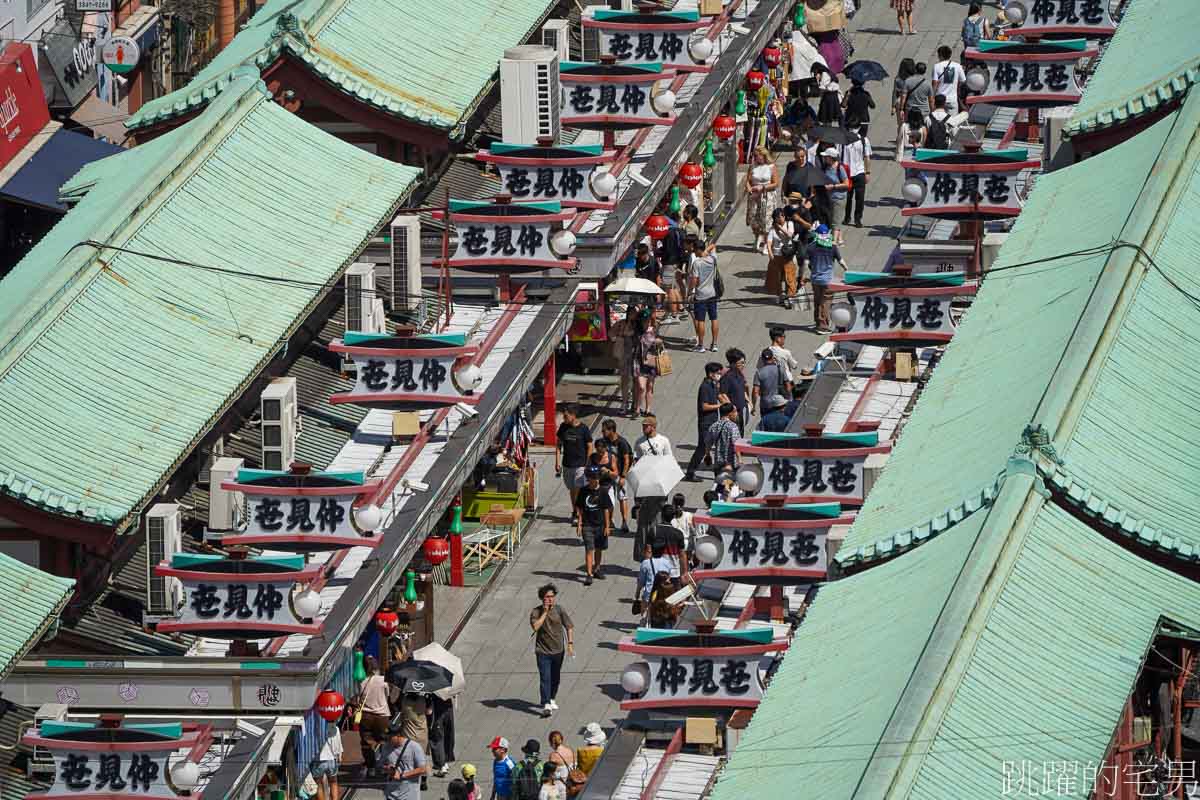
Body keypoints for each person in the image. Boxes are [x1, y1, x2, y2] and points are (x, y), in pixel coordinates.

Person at [529, 584, 574, 717]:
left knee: (555, 677)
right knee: (545, 677)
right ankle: (546, 703)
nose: (550, 599)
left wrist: (570, 644)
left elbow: (569, 626)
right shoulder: (536, 612)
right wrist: (545, 612)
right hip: (543, 651)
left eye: (552, 597)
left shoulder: (560, 610)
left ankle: (552, 697)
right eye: (547, 597)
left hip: (558, 650)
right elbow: (536, 627)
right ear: (542, 598)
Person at [684, 361, 724, 482]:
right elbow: (704, 406)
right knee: (702, 448)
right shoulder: (705, 387)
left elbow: (719, 396)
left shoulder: (713, 384)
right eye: (718, 373)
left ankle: (717, 474)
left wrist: (727, 403)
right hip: (706, 423)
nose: (720, 375)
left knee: (717, 447)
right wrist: (720, 406)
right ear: (711, 374)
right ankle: (690, 472)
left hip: (713, 421)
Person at [574, 466, 612, 586]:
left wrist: (607, 526)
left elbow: (606, 509)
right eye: (591, 478)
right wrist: (579, 524)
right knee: (589, 549)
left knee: (599, 549)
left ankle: (597, 568)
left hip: (600, 525)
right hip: (587, 525)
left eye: (595, 478)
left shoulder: (603, 491)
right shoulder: (583, 491)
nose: (593, 480)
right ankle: (589, 574)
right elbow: (580, 508)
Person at [808, 224, 847, 334]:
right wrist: (847, 270)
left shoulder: (812, 246)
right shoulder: (832, 246)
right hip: (828, 280)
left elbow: (806, 262)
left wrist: (802, 277)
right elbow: (841, 261)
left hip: (815, 279)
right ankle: (823, 326)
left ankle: (817, 323)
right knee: (826, 302)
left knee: (817, 300)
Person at [595, 419, 633, 532]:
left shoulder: (622, 443)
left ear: (611, 430)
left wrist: (623, 476)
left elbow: (627, 460)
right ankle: (609, 521)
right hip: (607, 476)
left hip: (619, 474)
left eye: (604, 430)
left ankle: (624, 521)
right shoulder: (604, 441)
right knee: (609, 499)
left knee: (622, 497)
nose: (602, 433)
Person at [554, 406, 591, 522]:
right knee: (572, 489)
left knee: (578, 488)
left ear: (573, 415)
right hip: (567, 464)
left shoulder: (583, 429)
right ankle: (575, 510)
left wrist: (587, 462)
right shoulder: (563, 427)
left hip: (580, 464)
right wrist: (557, 461)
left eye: (566, 416)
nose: (564, 419)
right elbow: (558, 445)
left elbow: (590, 445)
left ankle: (580, 512)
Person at [356, 655, 392, 771]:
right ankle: (384, 765)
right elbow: (388, 696)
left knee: (367, 743)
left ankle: (371, 767)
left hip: (366, 716)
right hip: (382, 716)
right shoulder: (383, 681)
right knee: (383, 741)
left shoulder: (362, 682)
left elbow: (359, 699)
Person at [743, 147, 779, 254]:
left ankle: (766, 243)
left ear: (763, 155)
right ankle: (757, 237)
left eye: (756, 155)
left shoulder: (771, 167)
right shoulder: (752, 166)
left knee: (766, 220)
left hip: (767, 196)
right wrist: (749, 189)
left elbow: (776, 183)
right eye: (754, 155)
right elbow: (748, 180)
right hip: (754, 196)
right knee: (753, 219)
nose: (754, 157)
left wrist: (763, 188)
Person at [688, 236, 720, 353]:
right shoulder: (712, 259)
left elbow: (694, 281)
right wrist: (706, 251)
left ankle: (701, 345)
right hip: (712, 293)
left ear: (697, 250)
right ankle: (714, 344)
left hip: (700, 295)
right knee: (714, 318)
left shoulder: (697, 263)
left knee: (700, 320)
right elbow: (713, 245)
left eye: (694, 250)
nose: (693, 252)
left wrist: (689, 291)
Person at [383, 723, 428, 800]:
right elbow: (381, 765)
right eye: (387, 737)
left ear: (398, 735)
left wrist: (402, 775)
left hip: (409, 795)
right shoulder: (386, 747)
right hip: (391, 794)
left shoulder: (414, 747)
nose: (388, 740)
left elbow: (423, 769)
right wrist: (387, 768)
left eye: (390, 737)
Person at [765, 207, 798, 309]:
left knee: (790, 277)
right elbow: (769, 242)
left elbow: (789, 235)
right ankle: (781, 297)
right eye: (778, 217)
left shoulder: (790, 224)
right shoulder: (772, 229)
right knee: (778, 278)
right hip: (777, 256)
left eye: (782, 216)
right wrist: (770, 254)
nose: (780, 218)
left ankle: (790, 298)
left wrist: (780, 228)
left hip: (788, 255)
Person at [608, 307, 637, 416]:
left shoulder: (637, 326)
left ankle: (634, 403)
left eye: (634, 314)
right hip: (624, 355)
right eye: (631, 313)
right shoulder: (621, 323)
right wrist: (618, 338)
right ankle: (625, 403)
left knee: (635, 381)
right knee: (625, 380)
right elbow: (611, 333)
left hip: (635, 356)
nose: (632, 315)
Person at [841, 124, 872, 228]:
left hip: (859, 172)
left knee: (860, 198)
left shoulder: (864, 140)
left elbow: (867, 157)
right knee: (847, 197)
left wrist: (867, 172)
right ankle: (847, 217)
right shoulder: (841, 141)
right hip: (846, 173)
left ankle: (858, 219)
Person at [819, 147, 849, 246]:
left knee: (836, 220)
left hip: (839, 198)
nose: (824, 158)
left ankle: (834, 241)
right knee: (834, 219)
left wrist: (833, 186)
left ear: (831, 158)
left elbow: (846, 184)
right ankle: (840, 239)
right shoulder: (826, 167)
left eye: (826, 156)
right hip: (829, 198)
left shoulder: (839, 168)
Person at [719, 348, 750, 436]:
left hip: (740, 411)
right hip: (732, 414)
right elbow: (722, 394)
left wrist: (749, 401)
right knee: (734, 436)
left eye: (744, 362)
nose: (743, 365)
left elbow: (743, 388)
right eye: (741, 363)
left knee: (740, 434)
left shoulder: (739, 374)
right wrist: (732, 409)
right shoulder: (727, 378)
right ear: (732, 364)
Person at [634, 321, 663, 415]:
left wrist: (658, 341)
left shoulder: (654, 330)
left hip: (651, 363)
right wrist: (653, 340)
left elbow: (659, 343)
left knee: (650, 386)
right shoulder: (639, 332)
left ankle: (648, 409)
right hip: (640, 363)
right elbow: (644, 341)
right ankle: (637, 408)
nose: (647, 324)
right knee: (641, 387)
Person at [653, 503, 688, 579]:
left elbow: (648, 551)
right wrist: (684, 573)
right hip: (674, 572)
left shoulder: (654, 531)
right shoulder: (678, 533)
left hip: (657, 570)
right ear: (673, 517)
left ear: (661, 516)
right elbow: (682, 555)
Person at [635, 541, 674, 610]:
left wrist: (637, 593)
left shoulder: (646, 563)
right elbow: (669, 578)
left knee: (646, 615)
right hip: (663, 593)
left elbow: (641, 581)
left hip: (649, 594)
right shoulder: (667, 563)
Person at [752, 348, 790, 417]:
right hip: (780, 403)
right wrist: (789, 399)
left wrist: (754, 407)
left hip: (766, 404)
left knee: (766, 424)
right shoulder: (780, 369)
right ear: (773, 357)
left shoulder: (759, 373)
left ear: (762, 359)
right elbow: (788, 386)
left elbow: (755, 391)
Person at [312, 716, 343, 800]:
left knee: (318, 784)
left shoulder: (315, 728)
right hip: (331, 759)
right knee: (333, 782)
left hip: (318, 759)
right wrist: (339, 757)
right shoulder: (335, 729)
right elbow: (338, 747)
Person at [931, 45, 965, 116]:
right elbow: (963, 80)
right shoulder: (958, 66)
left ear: (940, 56)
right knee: (952, 123)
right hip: (952, 99)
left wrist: (932, 99)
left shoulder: (936, 66)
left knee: (939, 122)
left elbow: (934, 84)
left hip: (940, 100)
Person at [428, 693, 455, 778]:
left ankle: (441, 765)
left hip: (437, 709)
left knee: (437, 737)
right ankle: (446, 760)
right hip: (448, 706)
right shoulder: (447, 682)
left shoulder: (432, 684)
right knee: (448, 734)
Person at [707, 403, 741, 468]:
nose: (737, 414)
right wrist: (740, 459)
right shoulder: (733, 426)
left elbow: (708, 442)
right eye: (735, 411)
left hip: (718, 461)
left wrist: (708, 455)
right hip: (730, 462)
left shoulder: (714, 426)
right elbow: (736, 444)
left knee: (718, 478)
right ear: (730, 414)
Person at [892, 58, 916, 145]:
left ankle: (900, 141)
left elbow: (894, 93)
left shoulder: (898, 78)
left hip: (900, 102)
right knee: (912, 124)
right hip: (912, 101)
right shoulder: (915, 78)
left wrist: (893, 106)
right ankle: (910, 141)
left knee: (901, 124)